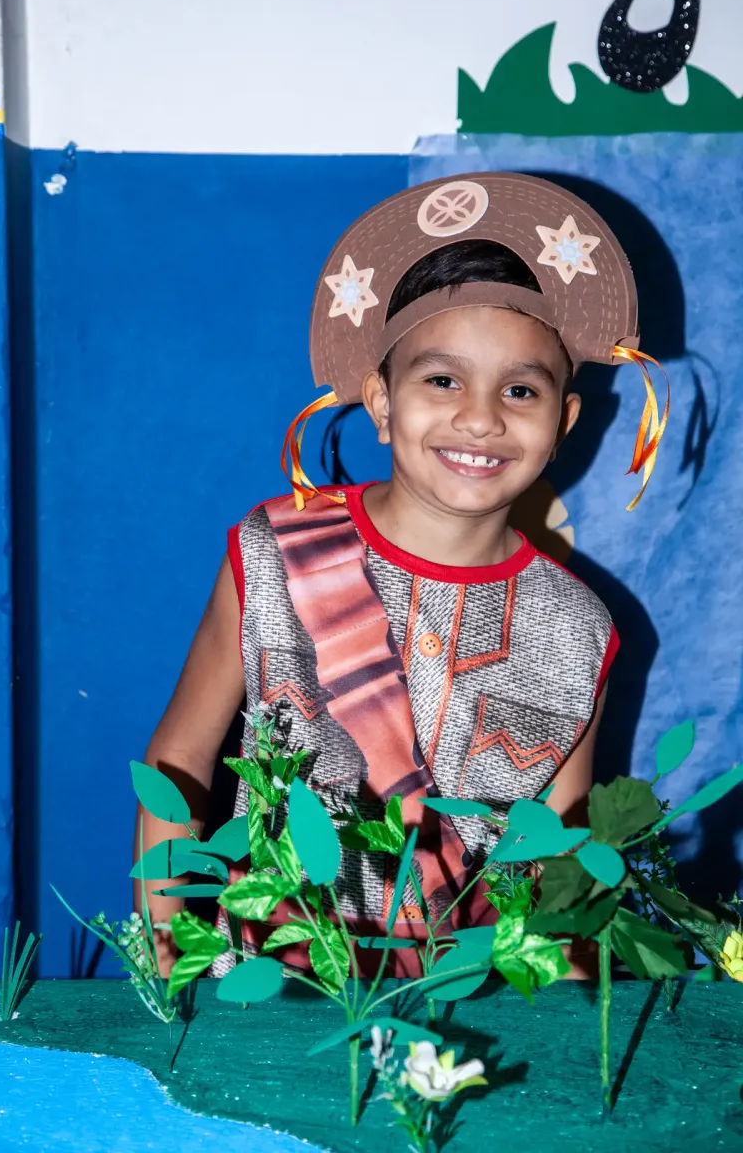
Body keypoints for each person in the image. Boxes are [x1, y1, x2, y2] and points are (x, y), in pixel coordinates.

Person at [134, 173, 666, 977]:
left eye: (521, 390)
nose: (480, 417)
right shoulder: (274, 553)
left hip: (477, 999)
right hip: (276, 988)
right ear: (381, 403)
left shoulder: (579, 628)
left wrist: (564, 1013)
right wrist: (164, 960)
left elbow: (562, 861)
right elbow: (178, 759)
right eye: (442, 380)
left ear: (563, 421)